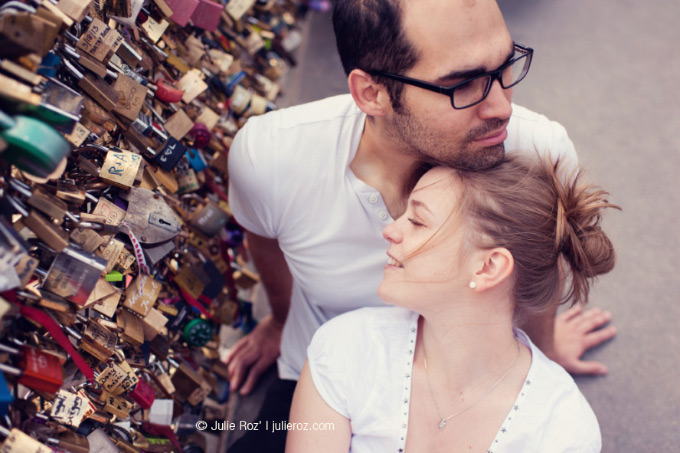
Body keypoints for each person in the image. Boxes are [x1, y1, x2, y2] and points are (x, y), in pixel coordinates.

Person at [226, 0, 615, 450]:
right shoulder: (272, 157)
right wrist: (279, 321)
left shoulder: (538, 149)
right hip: (321, 376)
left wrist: (542, 355)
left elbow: (534, 259)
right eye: (462, 84)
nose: (502, 106)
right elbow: (265, 238)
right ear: (371, 93)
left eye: (505, 65)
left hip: (465, 372)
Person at [287, 156, 617, 452]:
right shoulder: (346, 349)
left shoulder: (562, 431)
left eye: (416, 221)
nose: (390, 230)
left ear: (488, 267)